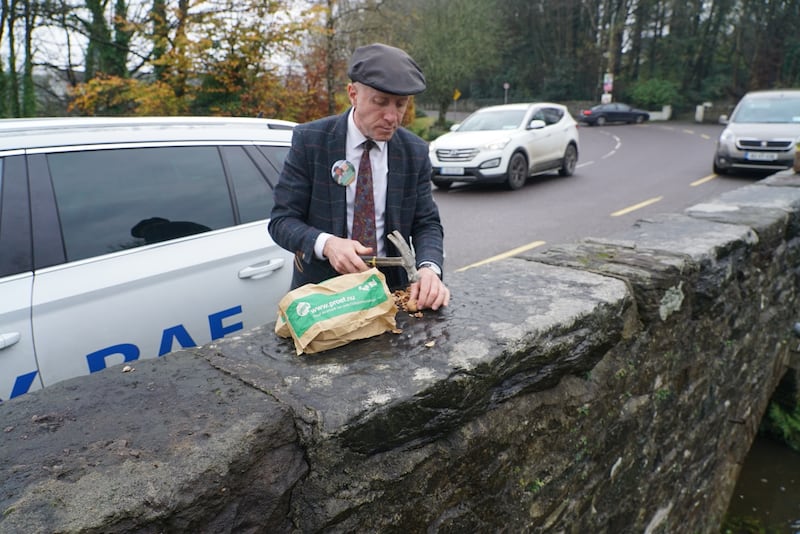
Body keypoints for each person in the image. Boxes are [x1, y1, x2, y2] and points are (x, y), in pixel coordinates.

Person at [269, 43, 450, 311]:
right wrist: (327, 244)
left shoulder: (414, 151)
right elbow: (282, 221)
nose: (392, 117)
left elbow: (426, 224)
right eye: (380, 102)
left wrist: (429, 268)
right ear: (353, 94)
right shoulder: (311, 141)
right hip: (322, 296)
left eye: (401, 104)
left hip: (391, 294)